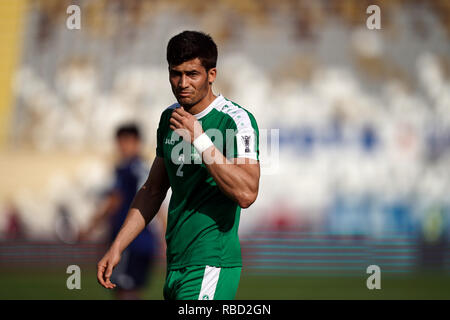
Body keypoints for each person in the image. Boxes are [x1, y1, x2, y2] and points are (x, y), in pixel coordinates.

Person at [96, 30, 260, 300]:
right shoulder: (169, 118)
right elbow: (152, 190)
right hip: (176, 264)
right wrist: (118, 246)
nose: (182, 83)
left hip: (211, 263)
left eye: (192, 74)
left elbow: (247, 193)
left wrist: (200, 140)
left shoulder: (236, 121)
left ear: (212, 74)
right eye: (176, 73)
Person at [80, 124, 158, 300]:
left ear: (137, 143)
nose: (122, 146)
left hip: (129, 241)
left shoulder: (126, 170)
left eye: (127, 141)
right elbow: (156, 202)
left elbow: (114, 202)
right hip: (145, 240)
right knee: (132, 289)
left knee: (123, 289)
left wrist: (90, 228)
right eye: (120, 142)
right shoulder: (148, 168)